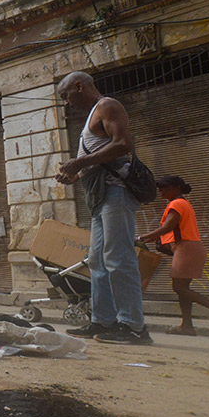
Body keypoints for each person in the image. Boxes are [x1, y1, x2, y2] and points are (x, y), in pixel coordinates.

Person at [55, 70, 152, 345]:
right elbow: (98, 158)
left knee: (119, 258)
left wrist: (80, 163)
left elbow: (124, 144)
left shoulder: (107, 106)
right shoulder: (91, 116)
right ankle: (103, 321)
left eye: (66, 96)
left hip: (115, 193)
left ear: (79, 86)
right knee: (97, 261)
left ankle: (133, 326)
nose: (66, 103)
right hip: (100, 198)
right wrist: (76, 174)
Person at [136, 175, 209, 336]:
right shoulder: (181, 203)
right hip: (188, 248)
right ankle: (187, 326)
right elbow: (169, 231)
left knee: (179, 287)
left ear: (176, 187)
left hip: (187, 248)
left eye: (164, 187)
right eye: (159, 188)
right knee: (183, 289)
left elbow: (168, 227)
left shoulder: (177, 203)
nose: (161, 191)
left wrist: (141, 238)